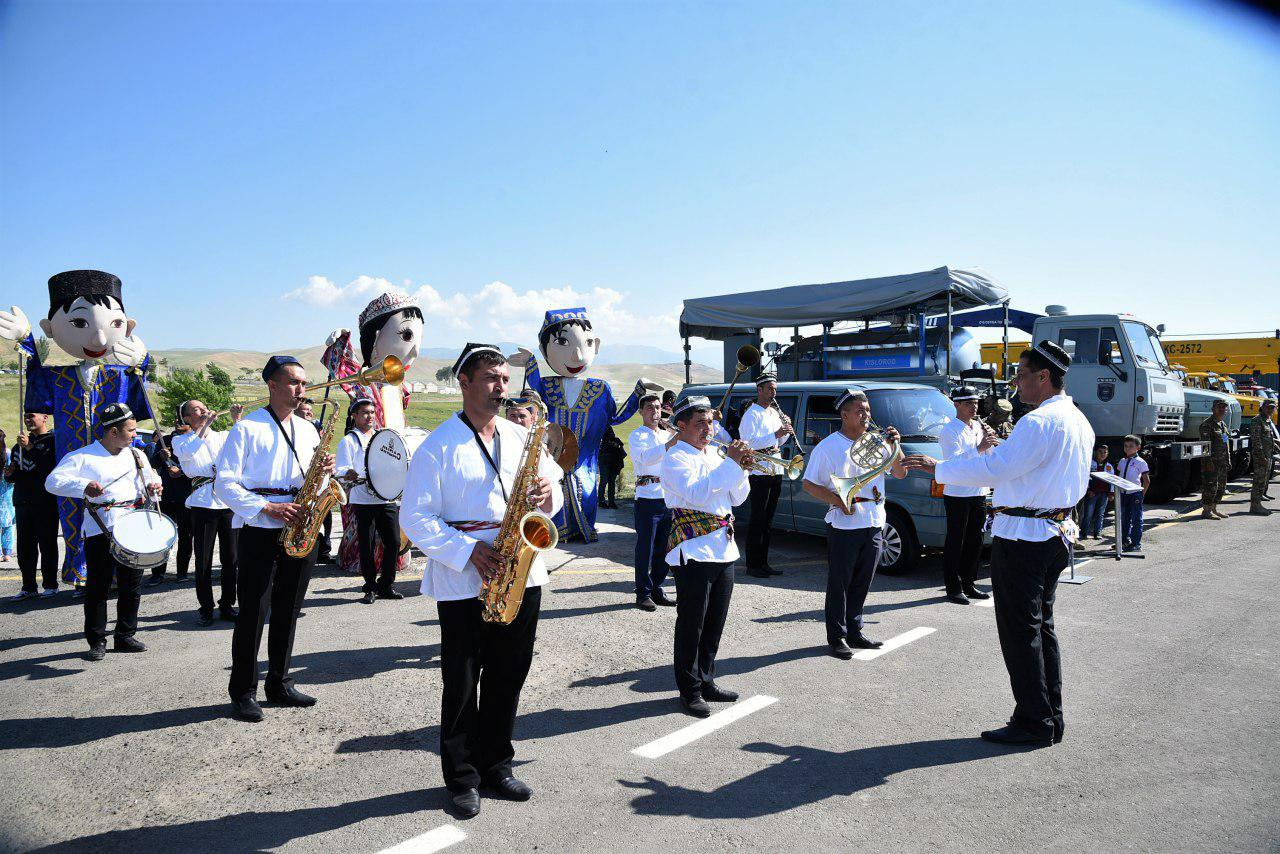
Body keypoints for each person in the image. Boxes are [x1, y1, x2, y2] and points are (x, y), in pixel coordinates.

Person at [399, 343, 562, 819]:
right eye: (491, 378)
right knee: (463, 678)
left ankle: (497, 764)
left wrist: (548, 492)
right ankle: (462, 776)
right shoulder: (438, 445)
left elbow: (549, 495)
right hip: (464, 575)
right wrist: (468, 551)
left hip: (520, 569)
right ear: (464, 383)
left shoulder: (519, 436)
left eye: (504, 378)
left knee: (510, 672)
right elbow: (416, 516)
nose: (500, 386)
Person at [904, 341, 1094, 747]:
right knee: (1041, 629)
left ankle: (1033, 721)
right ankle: (1049, 716)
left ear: (1044, 377)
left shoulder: (1039, 422)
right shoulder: (1078, 419)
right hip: (1054, 534)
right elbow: (1021, 465)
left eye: (1022, 375)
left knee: (1021, 633)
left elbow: (996, 468)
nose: (1016, 383)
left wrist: (940, 466)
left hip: (1025, 538)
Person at [0, 270, 153, 586]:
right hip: (72, 457)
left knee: (120, 511)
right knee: (73, 516)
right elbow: (36, 371)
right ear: (51, 329)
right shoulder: (60, 377)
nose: (97, 339)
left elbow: (140, 380)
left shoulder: (118, 375)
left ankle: (119, 568)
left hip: (113, 459)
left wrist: (143, 359)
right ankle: (80, 571)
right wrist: (25, 339)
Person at [215, 356, 334, 723]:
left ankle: (279, 683)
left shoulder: (309, 429)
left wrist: (327, 475)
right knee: (254, 611)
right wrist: (266, 507)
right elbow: (224, 483)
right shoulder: (247, 429)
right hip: (262, 530)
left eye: (304, 382)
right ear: (273, 385)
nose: (303, 389)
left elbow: (315, 480)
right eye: (295, 383)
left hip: (301, 526)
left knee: (289, 609)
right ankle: (243, 692)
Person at [510, 307, 651, 543]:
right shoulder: (546, 386)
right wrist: (530, 365)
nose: (576, 355)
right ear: (545, 350)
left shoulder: (599, 389)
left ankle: (583, 529)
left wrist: (639, 391)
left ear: (595, 346)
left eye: (584, 344)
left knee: (585, 490)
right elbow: (531, 400)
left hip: (585, 462)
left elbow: (614, 418)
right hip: (551, 459)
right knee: (551, 489)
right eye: (562, 342)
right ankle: (551, 532)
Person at [45, 403, 162, 660]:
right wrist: (84, 485)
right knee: (98, 587)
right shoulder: (83, 456)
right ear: (112, 432)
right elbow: (52, 482)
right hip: (101, 528)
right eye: (130, 430)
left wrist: (154, 487)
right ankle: (96, 640)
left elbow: (153, 478)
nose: (135, 434)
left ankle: (125, 635)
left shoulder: (136, 455)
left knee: (132, 585)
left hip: (133, 526)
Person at [661, 395, 752, 718]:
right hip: (694, 550)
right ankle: (690, 690)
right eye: (700, 424)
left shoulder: (717, 454)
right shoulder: (675, 458)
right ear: (681, 426)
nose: (708, 429)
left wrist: (741, 469)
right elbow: (698, 494)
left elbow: (738, 498)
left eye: (711, 422)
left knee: (714, 622)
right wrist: (731, 464)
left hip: (723, 548)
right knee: (692, 624)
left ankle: (707, 678)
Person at [801, 389, 907, 658]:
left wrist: (897, 445)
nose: (866, 415)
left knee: (863, 580)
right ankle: (837, 636)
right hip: (844, 524)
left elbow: (900, 472)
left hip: (873, 519)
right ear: (844, 415)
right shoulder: (828, 447)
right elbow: (809, 484)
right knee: (840, 582)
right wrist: (837, 500)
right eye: (860, 411)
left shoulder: (877, 442)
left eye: (868, 410)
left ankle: (855, 630)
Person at [172, 399, 242, 626]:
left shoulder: (221, 435)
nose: (202, 410)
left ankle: (227, 604)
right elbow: (190, 453)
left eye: (203, 407)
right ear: (187, 419)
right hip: (202, 503)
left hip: (227, 502)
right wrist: (203, 427)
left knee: (231, 558)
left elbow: (241, 446)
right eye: (196, 410)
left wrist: (236, 420)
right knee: (203, 559)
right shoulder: (180, 440)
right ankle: (205, 607)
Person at [336, 396, 404, 604]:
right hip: (363, 500)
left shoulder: (382, 438)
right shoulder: (349, 440)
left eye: (372, 413)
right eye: (365, 413)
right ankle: (370, 587)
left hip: (385, 498)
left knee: (393, 542)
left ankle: (386, 585)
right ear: (354, 416)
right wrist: (348, 473)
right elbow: (340, 469)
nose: (370, 417)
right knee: (366, 544)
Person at [937, 386, 993, 604]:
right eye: (969, 403)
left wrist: (990, 443)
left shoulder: (978, 426)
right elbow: (953, 463)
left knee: (975, 540)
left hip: (978, 490)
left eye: (976, 403)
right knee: (956, 541)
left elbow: (987, 455)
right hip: (958, 493)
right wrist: (979, 448)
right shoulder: (949, 430)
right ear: (957, 405)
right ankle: (953, 587)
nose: (974, 407)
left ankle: (969, 583)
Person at [737, 373, 793, 579]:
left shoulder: (774, 412)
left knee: (768, 519)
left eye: (775, 389)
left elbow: (780, 442)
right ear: (759, 390)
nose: (773, 393)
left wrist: (786, 431)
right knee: (758, 518)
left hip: (775, 468)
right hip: (759, 470)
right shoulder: (751, 414)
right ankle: (753, 564)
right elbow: (747, 443)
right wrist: (775, 435)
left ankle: (764, 562)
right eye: (770, 389)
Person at [628, 392, 678, 611]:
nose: (655, 412)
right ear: (641, 411)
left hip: (667, 497)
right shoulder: (637, 435)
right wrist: (671, 443)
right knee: (645, 549)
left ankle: (657, 588)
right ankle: (642, 593)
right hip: (648, 498)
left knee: (664, 550)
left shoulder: (668, 434)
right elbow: (645, 458)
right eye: (649, 407)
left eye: (658, 408)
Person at [4, 413, 60, 599]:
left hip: (45, 502)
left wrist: (29, 446)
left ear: (45, 417)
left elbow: (49, 468)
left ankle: (51, 584)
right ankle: (28, 586)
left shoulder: (53, 442)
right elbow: (16, 476)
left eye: (31, 416)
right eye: (25, 416)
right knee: (25, 547)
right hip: (22, 501)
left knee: (47, 544)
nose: (27, 419)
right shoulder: (16, 448)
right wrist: (10, 474)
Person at [148, 422, 194, 585]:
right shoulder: (164, 439)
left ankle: (182, 572)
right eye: (176, 419)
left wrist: (181, 472)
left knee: (186, 537)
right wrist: (160, 456)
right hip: (166, 496)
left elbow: (200, 468)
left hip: (187, 497)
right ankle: (158, 573)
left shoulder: (194, 441)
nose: (178, 423)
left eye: (183, 419)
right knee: (162, 535)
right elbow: (153, 463)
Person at [1199, 399, 1231, 520]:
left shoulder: (1223, 424)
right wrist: (1208, 462)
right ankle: (1206, 511)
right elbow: (1204, 446)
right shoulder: (1207, 425)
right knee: (1210, 486)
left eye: (1224, 408)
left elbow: (1226, 443)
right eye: (1219, 407)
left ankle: (1214, 508)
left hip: (1222, 462)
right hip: (1212, 463)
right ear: (1213, 409)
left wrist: (1228, 460)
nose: (1222, 410)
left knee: (1221, 486)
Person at [1116, 435, 1150, 551]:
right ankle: (1124, 541)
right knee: (1124, 518)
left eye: (1131, 446)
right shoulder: (1122, 461)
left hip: (1135, 493)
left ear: (1138, 447)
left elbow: (1146, 481)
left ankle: (1136, 543)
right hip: (1123, 493)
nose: (1128, 448)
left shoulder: (1141, 462)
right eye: (1126, 446)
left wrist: (1141, 494)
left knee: (1136, 519)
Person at [1080, 444, 1114, 540]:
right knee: (1088, 514)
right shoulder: (1090, 464)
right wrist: (1088, 490)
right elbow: (1085, 478)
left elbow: (1112, 481)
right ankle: (1084, 532)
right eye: (1100, 452)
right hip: (1092, 493)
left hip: (1104, 494)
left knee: (1100, 514)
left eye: (1105, 452)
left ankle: (1097, 533)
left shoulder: (1109, 466)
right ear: (1095, 452)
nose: (1103, 454)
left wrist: (1111, 494)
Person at [1249, 398, 1277, 515]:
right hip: (1262, 456)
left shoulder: (1267, 420)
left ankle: (1258, 503)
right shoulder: (1257, 420)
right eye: (1268, 407)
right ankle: (1255, 506)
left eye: (1272, 407)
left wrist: (1276, 444)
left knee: (1264, 480)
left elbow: (1267, 438)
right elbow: (1256, 440)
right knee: (1259, 481)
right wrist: (1261, 457)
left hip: (1268, 454)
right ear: (1263, 407)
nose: (1270, 409)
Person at [597, 426, 626, 510]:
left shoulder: (610, 441)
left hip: (611, 463)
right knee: (606, 481)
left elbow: (622, 454)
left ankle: (608, 501)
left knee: (608, 481)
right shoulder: (605, 441)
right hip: (607, 462)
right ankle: (605, 501)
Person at [0, 440, 14, 564]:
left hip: (6, 492)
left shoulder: (8, 454)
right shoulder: (8, 453)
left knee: (7, 523)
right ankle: (7, 553)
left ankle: (3, 553)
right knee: (8, 524)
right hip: (7, 493)